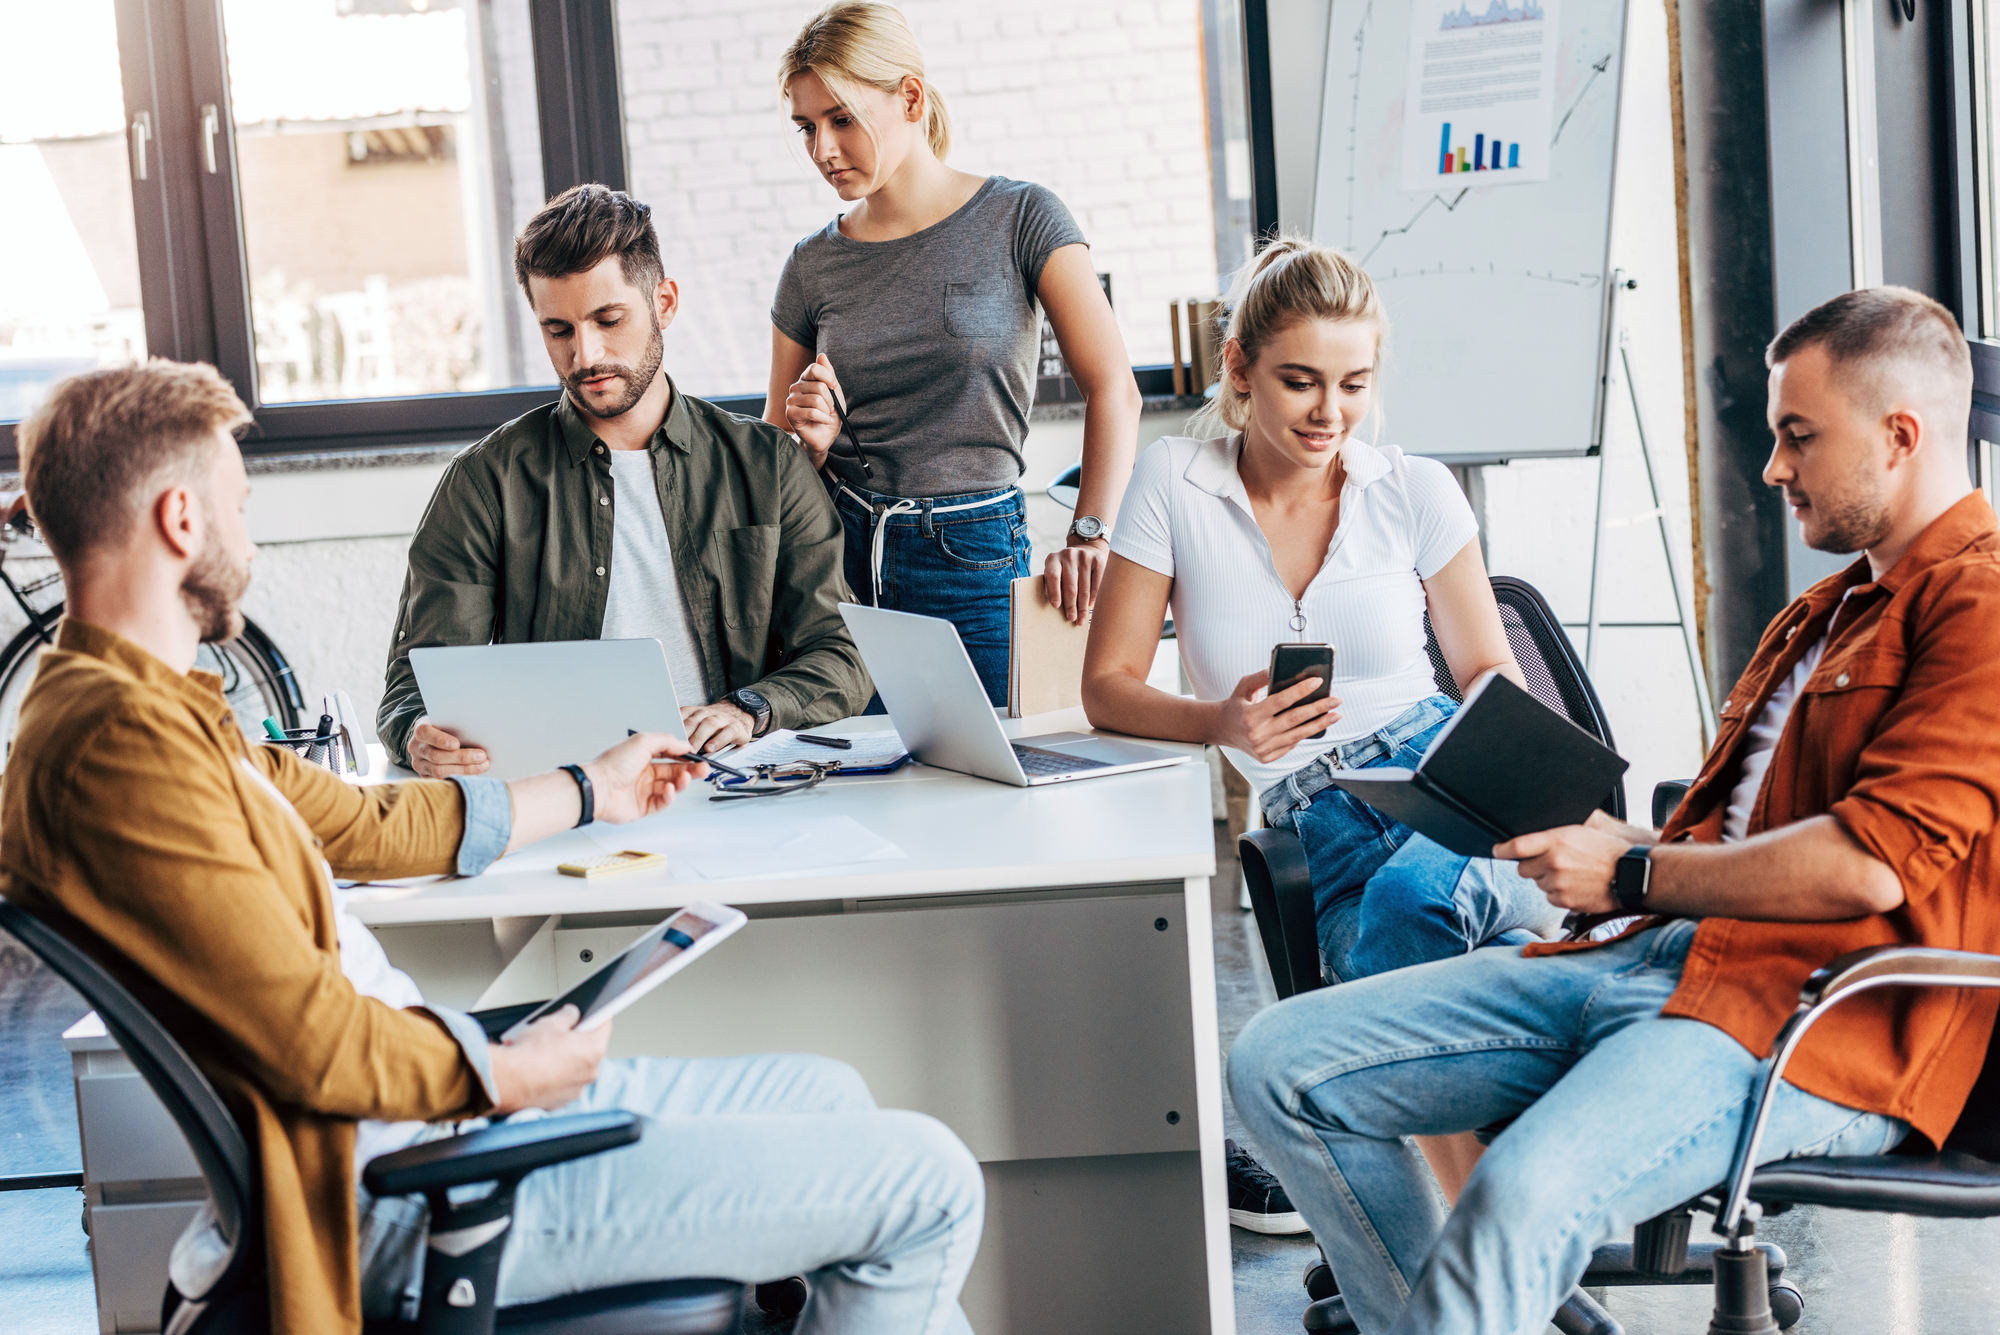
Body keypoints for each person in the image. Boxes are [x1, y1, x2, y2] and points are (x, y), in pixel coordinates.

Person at [3, 361, 984, 1335]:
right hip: (406, 1190)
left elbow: (367, 823)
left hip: (436, 1107)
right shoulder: (118, 752)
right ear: (182, 520)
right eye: (241, 508)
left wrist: (592, 786)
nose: (248, 543)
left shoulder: (148, 713)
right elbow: (316, 1046)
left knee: (826, 1094)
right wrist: (507, 1077)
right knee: (928, 1180)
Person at [1227, 285, 2000, 1335]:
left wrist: (1633, 871)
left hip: (1810, 1021)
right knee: (1278, 1066)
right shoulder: (1823, 612)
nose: (1772, 469)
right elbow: (1742, 842)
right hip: (1657, 955)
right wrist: (1620, 851)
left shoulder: (1977, 603)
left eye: (1796, 437)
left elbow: (1869, 864)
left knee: (1514, 1201)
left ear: (1898, 435)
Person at [1081, 238, 1563, 1224]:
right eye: (1298, 382)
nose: (1327, 414)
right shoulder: (1175, 481)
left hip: (1446, 777)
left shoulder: (1413, 488)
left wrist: (1503, 786)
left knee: (1410, 907)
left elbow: (1486, 676)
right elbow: (1108, 686)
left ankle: (1462, 1251)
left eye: (1352, 383)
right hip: (1318, 826)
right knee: (1391, 925)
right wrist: (1219, 721)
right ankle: (1494, 1235)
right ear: (1239, 369)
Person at [380, 184, 871, 776]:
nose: (585, 355)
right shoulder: (486, 482)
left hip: (733, 785)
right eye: (558, 330)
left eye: (608, 319)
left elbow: (843, 652)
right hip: (565, 795)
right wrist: (418, 734)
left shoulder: (766, 464)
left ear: (663, 302)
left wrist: (749, 709)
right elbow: (416, 680)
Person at [768, 1, 1143, 706]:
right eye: (806, 127)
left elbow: (1113, 387)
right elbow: (776, 461)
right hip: (842, 562)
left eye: (841, 119)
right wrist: (806, 447)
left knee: (1001, 780)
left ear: (910, 96)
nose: (822, 149)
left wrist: (1091, 532)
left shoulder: (1023, 217)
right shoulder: (811, 265)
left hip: (975, 559)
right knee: (858, 791)